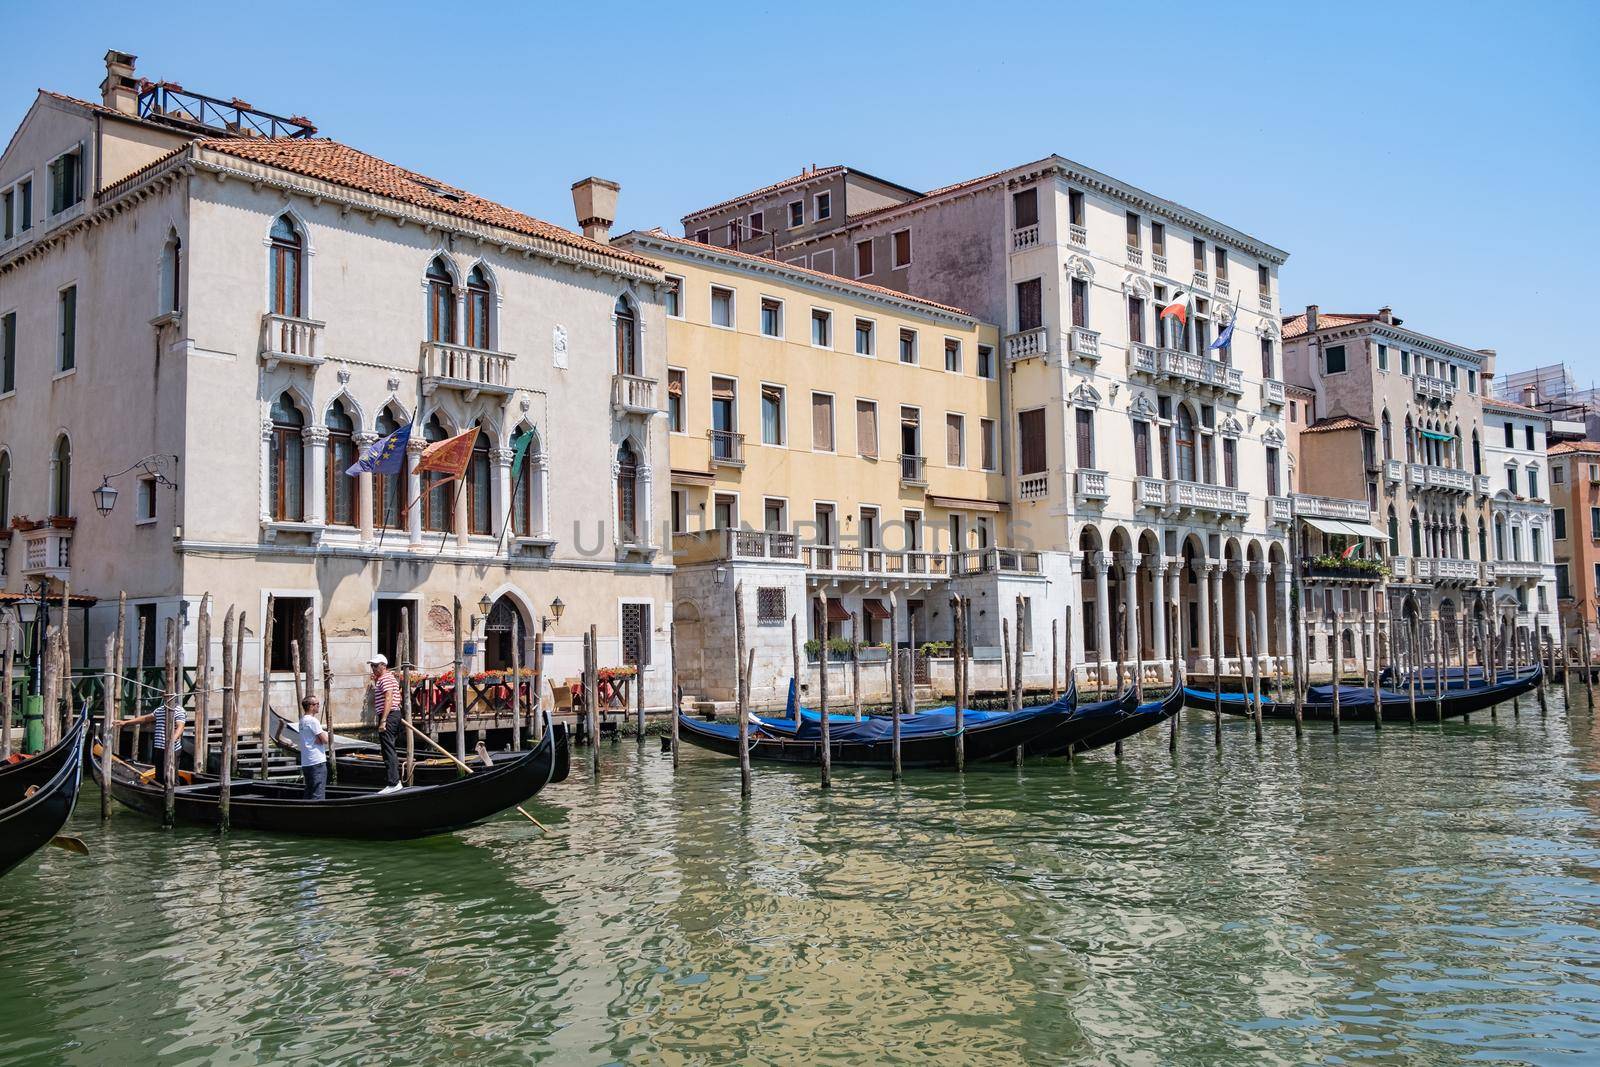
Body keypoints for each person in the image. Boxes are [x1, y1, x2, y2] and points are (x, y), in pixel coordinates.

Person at [126, 699, 187, 784]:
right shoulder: (160, 710)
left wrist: (172, 740)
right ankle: (160, 791)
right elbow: (145, 718)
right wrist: (125, 723)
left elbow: (180, 727)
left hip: (172, 748)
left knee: (171, 774)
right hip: (159, 747)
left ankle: (173, 792)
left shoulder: (179, 710)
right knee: (159, 774)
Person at [370, 653, 404, 793]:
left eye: (376, 665)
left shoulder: (385, 678)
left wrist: (383, 720)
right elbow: (397, 697)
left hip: (389, 716)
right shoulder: (386, 678)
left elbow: (389, 698)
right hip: (392, 715)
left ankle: (394, 783)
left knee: (388, 749)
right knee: (388, 748)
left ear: (383, 666)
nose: (373, 668)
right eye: (372, 665)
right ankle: (394, 781)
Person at [297, 694, 330, 800]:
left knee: (309, 791)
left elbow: (314, 739)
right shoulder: (313, 721)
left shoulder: (302, 721)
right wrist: (324, 735)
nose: (318, 706)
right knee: (318, 793)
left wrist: (319, 738)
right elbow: (325, 740)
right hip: (317, 762)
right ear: (311, 706)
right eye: (317, 704)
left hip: (306, 762)